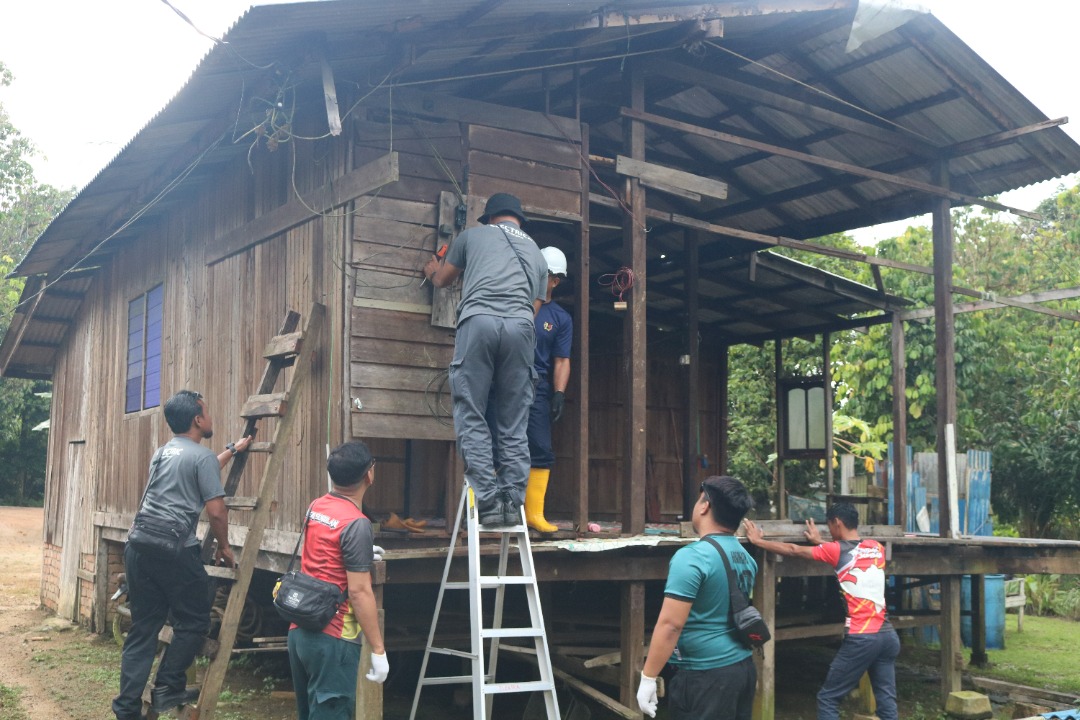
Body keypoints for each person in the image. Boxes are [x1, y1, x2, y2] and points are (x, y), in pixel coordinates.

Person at [113, 390, 253, 720]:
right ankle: (167, 686)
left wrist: (231, 450)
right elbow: (216, 512)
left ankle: (126, 710)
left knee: (143, 629)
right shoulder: (200, 457)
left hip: (138, 547)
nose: (211, 417)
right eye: (208, 412)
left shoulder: (163, 453)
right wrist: (224, 546)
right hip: (174, 551)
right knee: (193, 620)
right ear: (197, 420)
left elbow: (198, 468)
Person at [423, 192, 547, 528]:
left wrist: (434, 270)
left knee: (472, 409)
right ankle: (512, 500)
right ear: (519, 219)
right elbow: (533, 309)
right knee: (513, 419)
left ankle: (490, 503)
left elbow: (444, 280)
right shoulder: (537, 254)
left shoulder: (471, 237)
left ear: (490, 217)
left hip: (478, 321)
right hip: (521, 329)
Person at [743, 503, 900, 720]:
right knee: (886, 700)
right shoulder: (877, 547)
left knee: (828, 699)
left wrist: (758, 541)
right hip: (888, 636)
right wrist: (820, 542)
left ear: (836, 522)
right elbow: (849, 552)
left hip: (863, 637)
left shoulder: (835, 550)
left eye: (830, 526)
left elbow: (793, 550)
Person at [637, 476, 758, 720]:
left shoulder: (692, 556)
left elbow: (671, 625)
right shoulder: (746, 557)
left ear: (705, 506)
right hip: (743, 668)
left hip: (706, 674)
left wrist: (648, 677)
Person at [288, 440, 388, 720]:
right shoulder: (357, 524)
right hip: (333, 638)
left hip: (299, 630)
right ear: (369, 474)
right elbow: (359, 592)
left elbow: (324, 554)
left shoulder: (317, 506)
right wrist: (378, 650)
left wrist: (360, 553)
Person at [523, 246, 572, 533]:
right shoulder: (516, 302)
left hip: (537, 385)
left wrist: (559, 393)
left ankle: (534, 514)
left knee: (540, 447)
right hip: (504, 380)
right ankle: (485, 513)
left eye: (548, 275)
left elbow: (562, 360)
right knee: (492, 444)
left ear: (555, 281)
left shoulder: (560, 318)